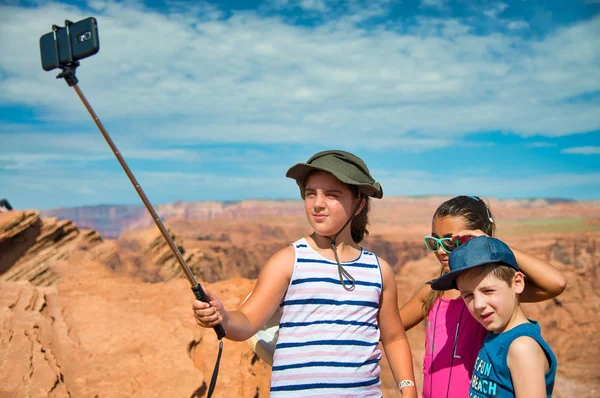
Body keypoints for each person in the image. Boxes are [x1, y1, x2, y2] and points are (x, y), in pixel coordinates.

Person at [193, 150, 418, 397]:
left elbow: (394, 337)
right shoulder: (288, 261)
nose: (318, 203)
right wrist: (222, 316)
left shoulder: (379, 271)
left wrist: (408, 389)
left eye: (332, 195)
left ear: (358, 204)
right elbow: (246, 323)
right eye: (311, 194)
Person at [399, 195, 566, 398]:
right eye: (435, 242)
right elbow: (390, 332)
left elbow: (556, 283)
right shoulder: (433, 292)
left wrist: (491, 245)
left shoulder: (492, 294)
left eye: (453, 242)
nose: (442, 251)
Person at [430, 236, 557, 397]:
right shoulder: (497, 335)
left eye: (488, 291)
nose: (478, 304)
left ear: (517, 282)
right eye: (468, 295)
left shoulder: (522, 348)